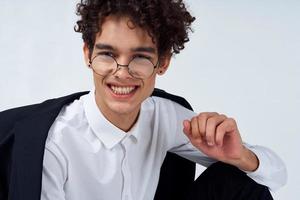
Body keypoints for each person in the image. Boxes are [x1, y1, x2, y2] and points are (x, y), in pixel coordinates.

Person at [0, 0, 287, 200]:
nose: (122, 73)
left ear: (162, 63)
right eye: (107, 54)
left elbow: (273, 178)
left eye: (140, 57)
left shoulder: (167, 118)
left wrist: (240, 157)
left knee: (237, 181)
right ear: (88, 55)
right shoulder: (55, 143)